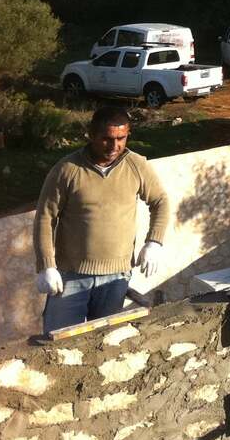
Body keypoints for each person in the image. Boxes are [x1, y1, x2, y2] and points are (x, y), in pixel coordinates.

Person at [33, 106, 170, 333]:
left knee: (102, 342)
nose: (114, 146)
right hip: (71, 277)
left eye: (121, 138)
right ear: (91, 134)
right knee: (58, 343)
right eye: (106, 139)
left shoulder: (136, 166)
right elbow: (45, 219)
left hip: (115, 279)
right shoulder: (67, 170)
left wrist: (154, 241)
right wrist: (46, 266)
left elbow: (160, 201)